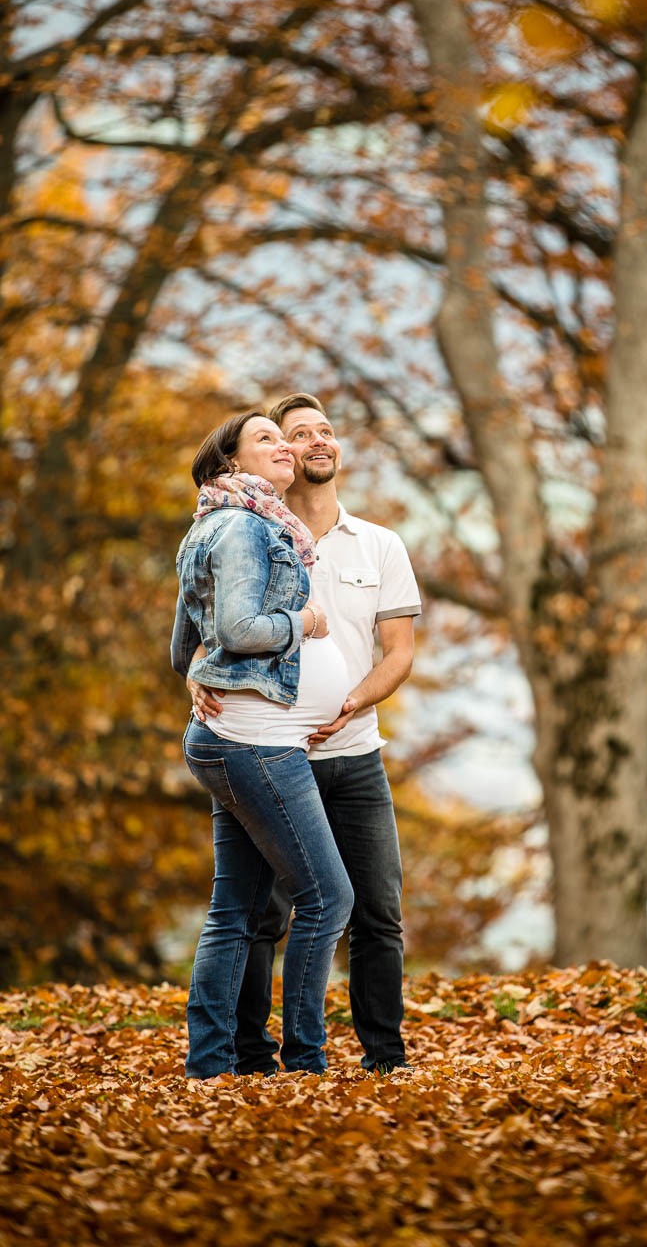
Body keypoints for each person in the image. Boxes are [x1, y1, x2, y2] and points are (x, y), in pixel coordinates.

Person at [188, 393, 421, 1074]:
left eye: (324, 431)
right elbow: (214, 624)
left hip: (353, 756)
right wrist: (196, 675)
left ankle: (384, 1058)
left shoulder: (377, 544)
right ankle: (256, 1056)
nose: (313, 442)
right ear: (275, 457)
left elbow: (399, 652)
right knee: (261, 915)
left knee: (375, 912)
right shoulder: (257, 532)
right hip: (269, 750)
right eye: (294, 434)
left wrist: (351, 701)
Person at [171, 410, 355, 1079]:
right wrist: (302, 622)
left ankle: (212, 1065)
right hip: (257, 744)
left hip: (238, 738)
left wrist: (199, 671)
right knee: (328, 899)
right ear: (231, 466)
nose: (284, 446)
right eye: (267, 439)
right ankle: (306, 1061)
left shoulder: (213, 525)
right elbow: (240, 628)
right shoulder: (246, 527)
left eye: (284, 438)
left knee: (235, 909)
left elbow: (182, 646)